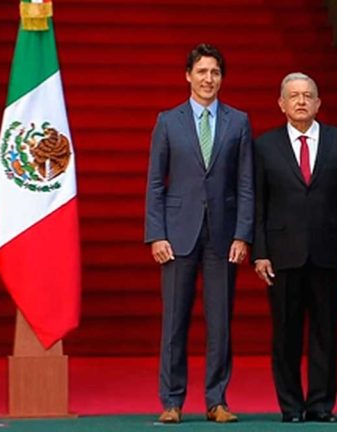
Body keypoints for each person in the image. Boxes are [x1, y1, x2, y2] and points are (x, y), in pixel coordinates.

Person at [144, 43, 253, 424]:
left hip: (223, 237)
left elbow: (245, 184)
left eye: (216, 73)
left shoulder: (238, 122)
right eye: (202, 72)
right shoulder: (168, 121)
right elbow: (156, 183)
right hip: (178, 235)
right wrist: (156, 234)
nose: (209, 79)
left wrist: (243, 234)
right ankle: (171, 400)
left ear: (222, 78)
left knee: (220, 321)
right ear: (188, 75)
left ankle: (217, 400)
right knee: (174, 319)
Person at [252, 72, 337, 423]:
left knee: (324, 333)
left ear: (318, 103)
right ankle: (290, 406)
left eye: (308, 95)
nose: (301, 101)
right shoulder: (264, 146)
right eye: (294, 96)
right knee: (285, 334)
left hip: (329, 252)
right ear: (281, 104)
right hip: (282, 254)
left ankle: (320, 405)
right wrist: (260, 251)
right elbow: (258, 203)